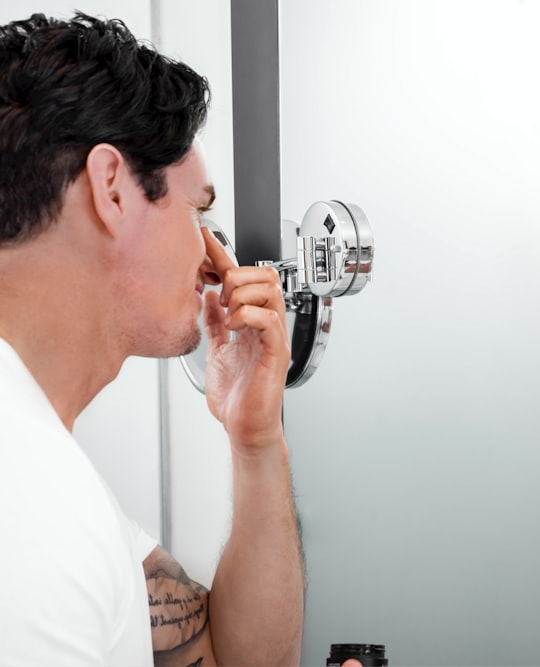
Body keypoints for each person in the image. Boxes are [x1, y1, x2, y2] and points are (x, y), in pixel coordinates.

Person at [0, 12, 342, 666]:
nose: (215, 254)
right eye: (197, 211)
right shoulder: (26, 503)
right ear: (112, 191)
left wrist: (256, 439)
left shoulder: (46, 469)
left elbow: (225, 656)